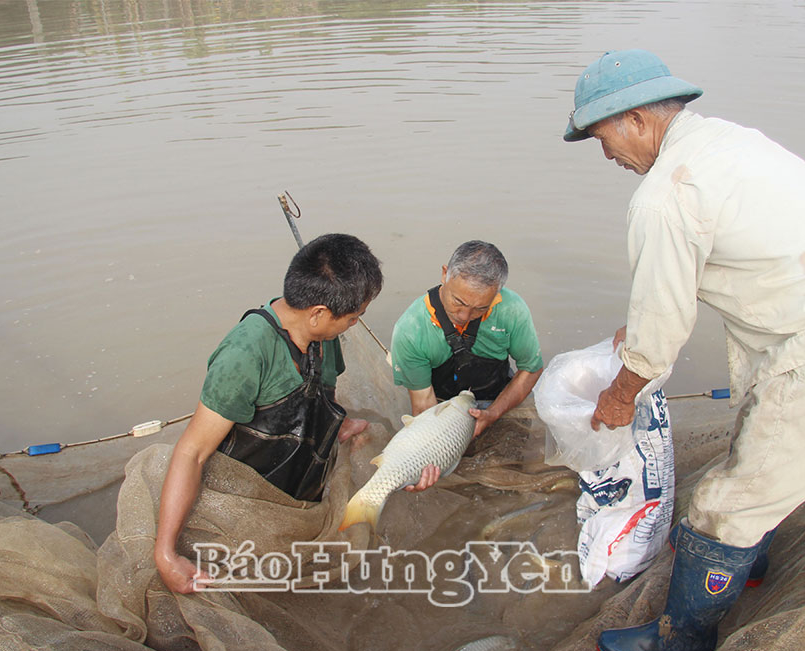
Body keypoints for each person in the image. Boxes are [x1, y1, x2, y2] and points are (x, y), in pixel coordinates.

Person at [564, 49, 805, 651]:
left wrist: (619, 398)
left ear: (638, 120)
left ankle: (682, 636)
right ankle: (744, 558)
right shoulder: (724, 142)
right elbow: (684, 280)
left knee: (726, 500)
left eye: (603, 136)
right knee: (762, 448)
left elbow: (660, 334)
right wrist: (644, 322)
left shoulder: (665, 195)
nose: (607, 155)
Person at [154, 233, 384, 594]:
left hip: (304, 498)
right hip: (244, 508)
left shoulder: (324, 337)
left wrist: (340, 426)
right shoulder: (244, 354)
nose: (353, 325)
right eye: (353, 319)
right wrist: (165, 554)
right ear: (319, 314)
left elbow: (321, 399)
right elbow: (192, 452)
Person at [390, 241, 544, 486]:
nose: (464, 316)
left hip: (497, 397)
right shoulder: (411, 329)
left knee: (507, 474)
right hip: (443, 409)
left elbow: (531, 367)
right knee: (447, 475)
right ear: (444, 274)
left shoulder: (512, 310)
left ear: (497, 294)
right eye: (458, 302)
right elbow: (423, 407)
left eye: (479, 309)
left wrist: (493, 414)